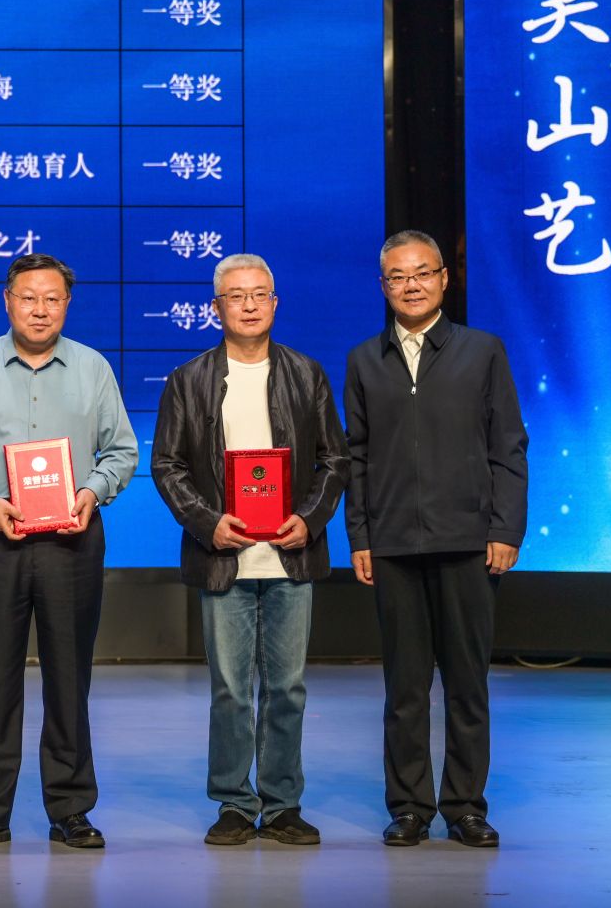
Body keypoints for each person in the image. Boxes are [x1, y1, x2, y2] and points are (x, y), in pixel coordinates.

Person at [0, 253, 136, 851]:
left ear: (67, 304)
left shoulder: (93, 367)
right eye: (28, 297)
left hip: (73, 539)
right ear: (8, 301)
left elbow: (121, 450)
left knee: (69, 677)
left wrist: (92, 492)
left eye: (52, 298)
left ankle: (71, 809)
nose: (40, 309)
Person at [150, 253, 349, 846]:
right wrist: (206, 523)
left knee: (288, 688)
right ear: (216, 307)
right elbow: (167, 465)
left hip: (290, 554)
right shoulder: (189, 379)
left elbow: (335, 460)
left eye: (260, 294)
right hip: (224, 558)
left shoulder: (306, 373)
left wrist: (309, 520)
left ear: (275, 303)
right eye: (236, 296)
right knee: (231, 691)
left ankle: (283, 803)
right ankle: (235, 803)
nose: (249, 305)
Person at [345, 230, 527, 849]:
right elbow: (357, 457)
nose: (412, 285)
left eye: (422, 273)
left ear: (444, 279)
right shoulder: (365, 360)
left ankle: (466, 807)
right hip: (393, 545)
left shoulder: (482, 351)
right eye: (398, 276)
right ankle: (409, 808)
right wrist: (360, 535)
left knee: (467, 685)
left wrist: (505, 528)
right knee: (405, 688)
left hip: (469, 543)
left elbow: (509, 447)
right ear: (383, 286)